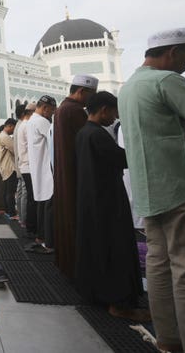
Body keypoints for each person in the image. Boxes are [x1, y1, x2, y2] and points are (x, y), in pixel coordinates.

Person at [119, 28, 185, 353]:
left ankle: (169, 340)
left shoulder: (129, 87)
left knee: (159, 265)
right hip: (184, 191)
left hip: (150, 192)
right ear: (173, 52)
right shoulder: (167, 82)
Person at [74, 92, 147, 321]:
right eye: (114, 112)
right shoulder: (97, 135)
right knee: (114, 249)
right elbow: (121, 159)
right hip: (107, 201)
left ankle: (99, 294)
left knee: (98, 247)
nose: (115, 118)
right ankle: (119, 303)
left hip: (91, 200)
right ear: (104, 109)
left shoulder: (83, 133)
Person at [53, 74, 98, 278]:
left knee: (66, 216)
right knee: (75, 218)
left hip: (64, 171)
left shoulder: (62, 108)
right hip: (75, 172)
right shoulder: (75, 111)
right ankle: (78, 266)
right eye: (91, 94)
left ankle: (67, 263)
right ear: (82, 91)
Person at [27, 96, 56, 251]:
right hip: (46, 169)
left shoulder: (31, 121)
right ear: (45, 108)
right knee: (48, 206)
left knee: (42, 204)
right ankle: (48, 241)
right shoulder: (42, 122)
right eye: (51, 111)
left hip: (38, 168)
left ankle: (41, 236)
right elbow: (55, 142)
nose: (51, 114)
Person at [17, 103, 37, 236]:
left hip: (25, 165)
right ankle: (30, 225)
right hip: (28, 166)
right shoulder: (27, 125)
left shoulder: (22, 125)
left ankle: (29, 224)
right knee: (31, 197)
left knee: (29, 196)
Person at [0, 118, 18, 217]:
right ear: (9, 126)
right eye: (13, 128)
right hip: (9, 167)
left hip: (5, 166)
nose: (13, 130)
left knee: (7, 191)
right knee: (10, 191)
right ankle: (11, 212)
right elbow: (15, 149)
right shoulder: (5, 137)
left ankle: (8, 210)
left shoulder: (2, 135)